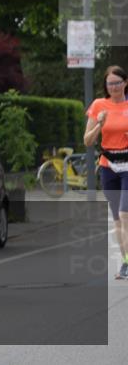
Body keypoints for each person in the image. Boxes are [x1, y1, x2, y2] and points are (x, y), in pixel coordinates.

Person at [84, 65, 128, 280]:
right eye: (110, 84)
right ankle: (126, 262)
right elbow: (87, 141)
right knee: (118, 219)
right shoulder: (98, 105)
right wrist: (99, 124)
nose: (114, 87)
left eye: (118, 83)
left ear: (125, 83)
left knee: (125, 214)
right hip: (108, 166)